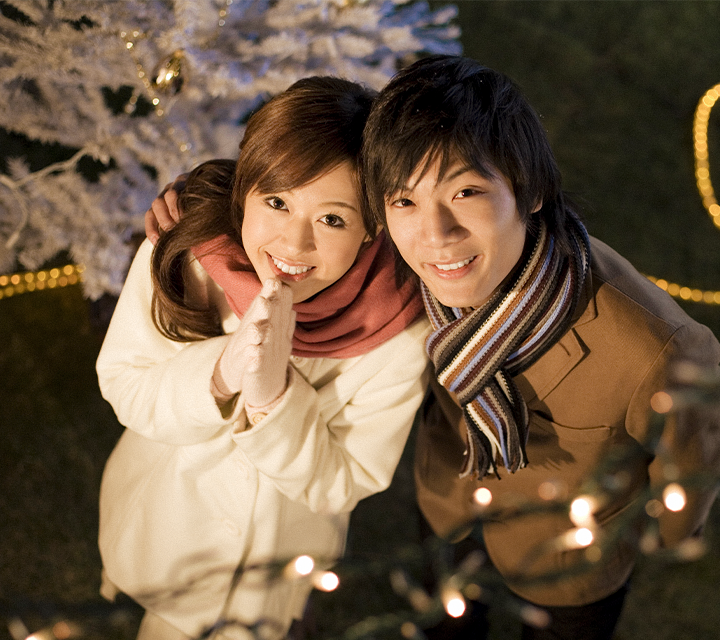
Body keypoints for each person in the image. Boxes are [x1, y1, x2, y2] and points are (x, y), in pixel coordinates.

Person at [359, 55, 720, 639]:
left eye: (467, 191)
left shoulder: (657, 349)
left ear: (528, 191)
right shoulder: (405, 266)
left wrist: (672, 533)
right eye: (404, 201)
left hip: (570, 562)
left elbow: (691, 464)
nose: (434, 235)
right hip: (450, 503)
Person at [96, 77, 430, 640]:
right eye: (276, 202)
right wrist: (227, 369)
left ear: (372, 226)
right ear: (244, 191)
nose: (294, 244)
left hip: (282, 554)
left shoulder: (397, 328)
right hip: (165, 516)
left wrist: (275, 396)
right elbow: (125, 382)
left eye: (333, 219)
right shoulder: (187, 252)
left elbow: (347, 477)